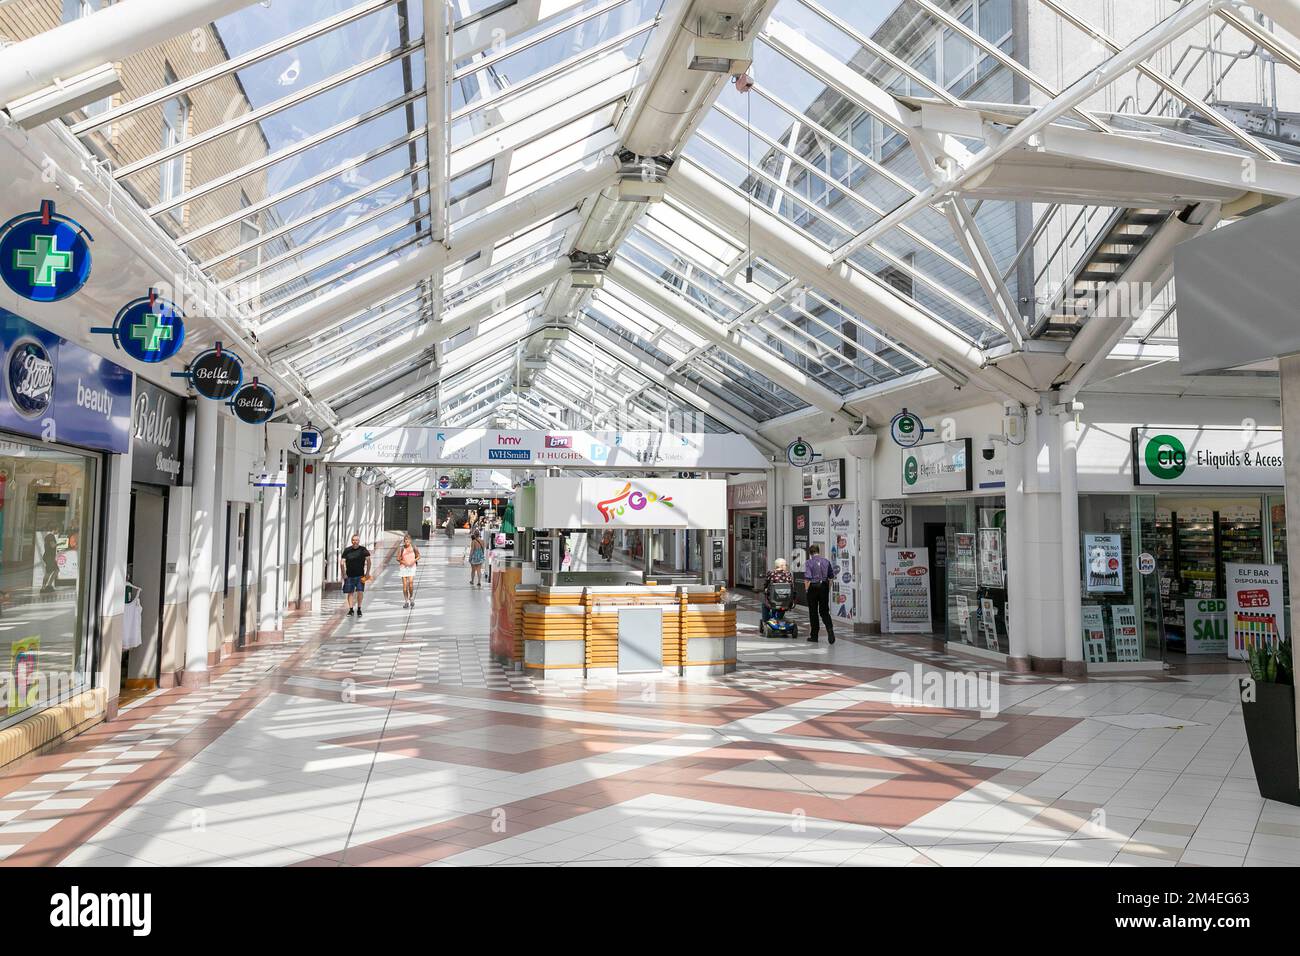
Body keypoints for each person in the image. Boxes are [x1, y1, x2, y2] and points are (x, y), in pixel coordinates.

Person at [803, 543, 835, 644]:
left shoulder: (809, 562)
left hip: (813, 587)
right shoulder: (826, 561)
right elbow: (831, 577)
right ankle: (830, 631)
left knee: (813, 612)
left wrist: (807, 590)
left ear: (810, 553)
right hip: (824, 587)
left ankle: (814, 636)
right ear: (818, 551)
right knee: (824, 611)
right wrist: (827, 588)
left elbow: (807, 579)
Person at [339, 534, 371, 618]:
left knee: (360, 592)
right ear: (351, 541)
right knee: (350, 593)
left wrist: (367, 573)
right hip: (349, 576)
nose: (355, 542)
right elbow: (342, 562)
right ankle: (351, 609)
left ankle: (359, 608)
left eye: (356, 540)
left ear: (359, 541)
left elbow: (369, 561)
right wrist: (344, 574)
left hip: (361, 575)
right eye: (353, 540)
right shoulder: (347, 550)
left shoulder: (363, 550)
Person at [761, 557, 793, 627]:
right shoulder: (788, 574)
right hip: (785, 601)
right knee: (783, 603)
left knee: (764, 604)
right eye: (785, 565)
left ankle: (765, 620)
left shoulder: (770, 573)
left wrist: (765, 590)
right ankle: (780, 617)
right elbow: (791, 586)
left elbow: (765, 585)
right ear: (781, 566)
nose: (786, 566)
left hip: (772, 601)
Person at [398, 533, 420, 608]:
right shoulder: (401, 548)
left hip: (412, 567)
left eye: (408, 540)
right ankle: (406, 601)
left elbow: (418, 556)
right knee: (404, 586)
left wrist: (413, 561)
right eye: (405, 540)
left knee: (410, 583)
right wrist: (405, 562)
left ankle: (411, 597)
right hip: (403, 567)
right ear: (404, 541)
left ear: (410, 540)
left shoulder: (414, 547)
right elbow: (398, 558)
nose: (406, 542)